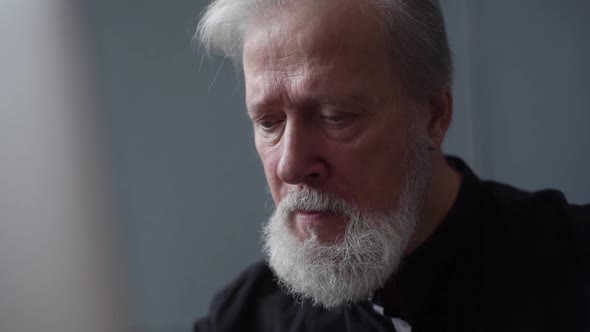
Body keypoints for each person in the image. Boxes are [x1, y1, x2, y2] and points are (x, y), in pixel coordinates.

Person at [193, 0, 589, 331]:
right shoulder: (240, 320)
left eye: (335, 116)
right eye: (268, 123)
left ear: (434, 116)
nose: (290, 166)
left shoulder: (575, 270)